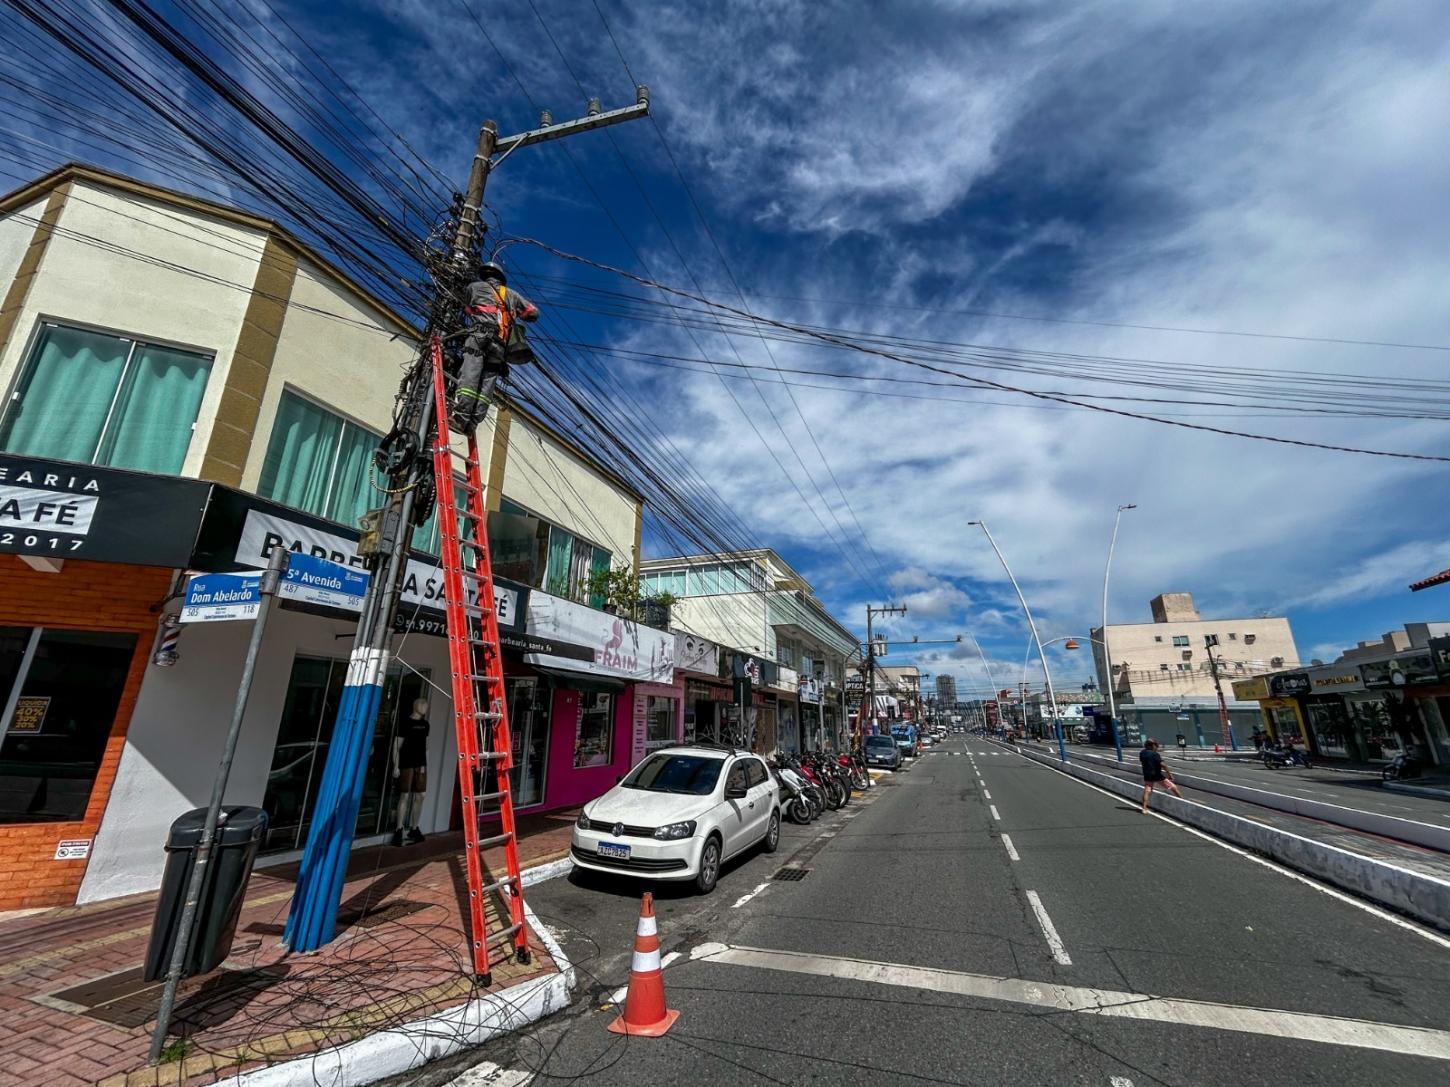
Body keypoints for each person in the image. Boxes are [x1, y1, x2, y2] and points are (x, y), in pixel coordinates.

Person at [450, 261, 539, 434]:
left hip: (479, 337)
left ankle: (461, 418)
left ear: (485, 275)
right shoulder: (511, 295)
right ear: (501, 278)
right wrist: (517, 314)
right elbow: (533, 312)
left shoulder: (474, 287)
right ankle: (474, 423)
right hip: (499, 346)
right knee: (487, 383)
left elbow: (465, 307)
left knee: (471, 375)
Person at [392, 697, 431, 846]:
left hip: (420, 765)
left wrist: (426, 764)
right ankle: (399, 828)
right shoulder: (405, 723)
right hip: (406, 763)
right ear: (415, 706)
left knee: (421, 795)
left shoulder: (426, 725)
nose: (424, 707)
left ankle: (414, 828)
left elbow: (426, 747)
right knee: (405, 795)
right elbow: (396, 746)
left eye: (426, 705)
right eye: (422, 704)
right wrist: (395, 766)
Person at [1139, 737, 1181, 813]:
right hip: (1156, 774)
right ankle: (1182, 801)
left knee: (1147, 790)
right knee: (1173, 787)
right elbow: (1163, 765)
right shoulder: (1155, 754)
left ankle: (1144, 808)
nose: (1157, 747)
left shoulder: (1142, 753)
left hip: (1147, 774)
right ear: (1153, 745)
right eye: (1156, 746)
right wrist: (1170, 774)